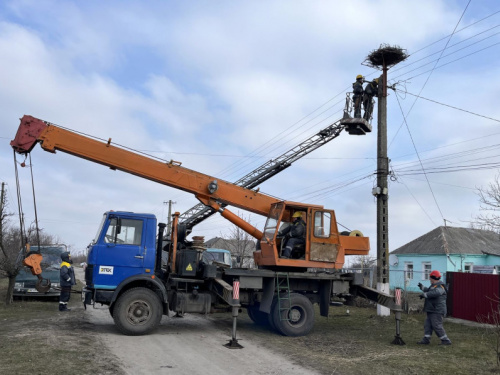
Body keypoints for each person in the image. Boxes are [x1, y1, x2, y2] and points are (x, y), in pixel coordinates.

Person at [417, 270, 452, 345]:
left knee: (436, 325)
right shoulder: (434, 286)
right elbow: (430, 290)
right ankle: (426, 339)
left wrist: (425, 295)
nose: (429, 279)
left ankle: (445, 340)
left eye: (430, 278)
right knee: (427, 325)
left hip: (437, 310)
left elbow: (436, 292)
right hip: (432, 309)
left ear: (434, 278)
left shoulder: (441, 286)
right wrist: (422, 287)